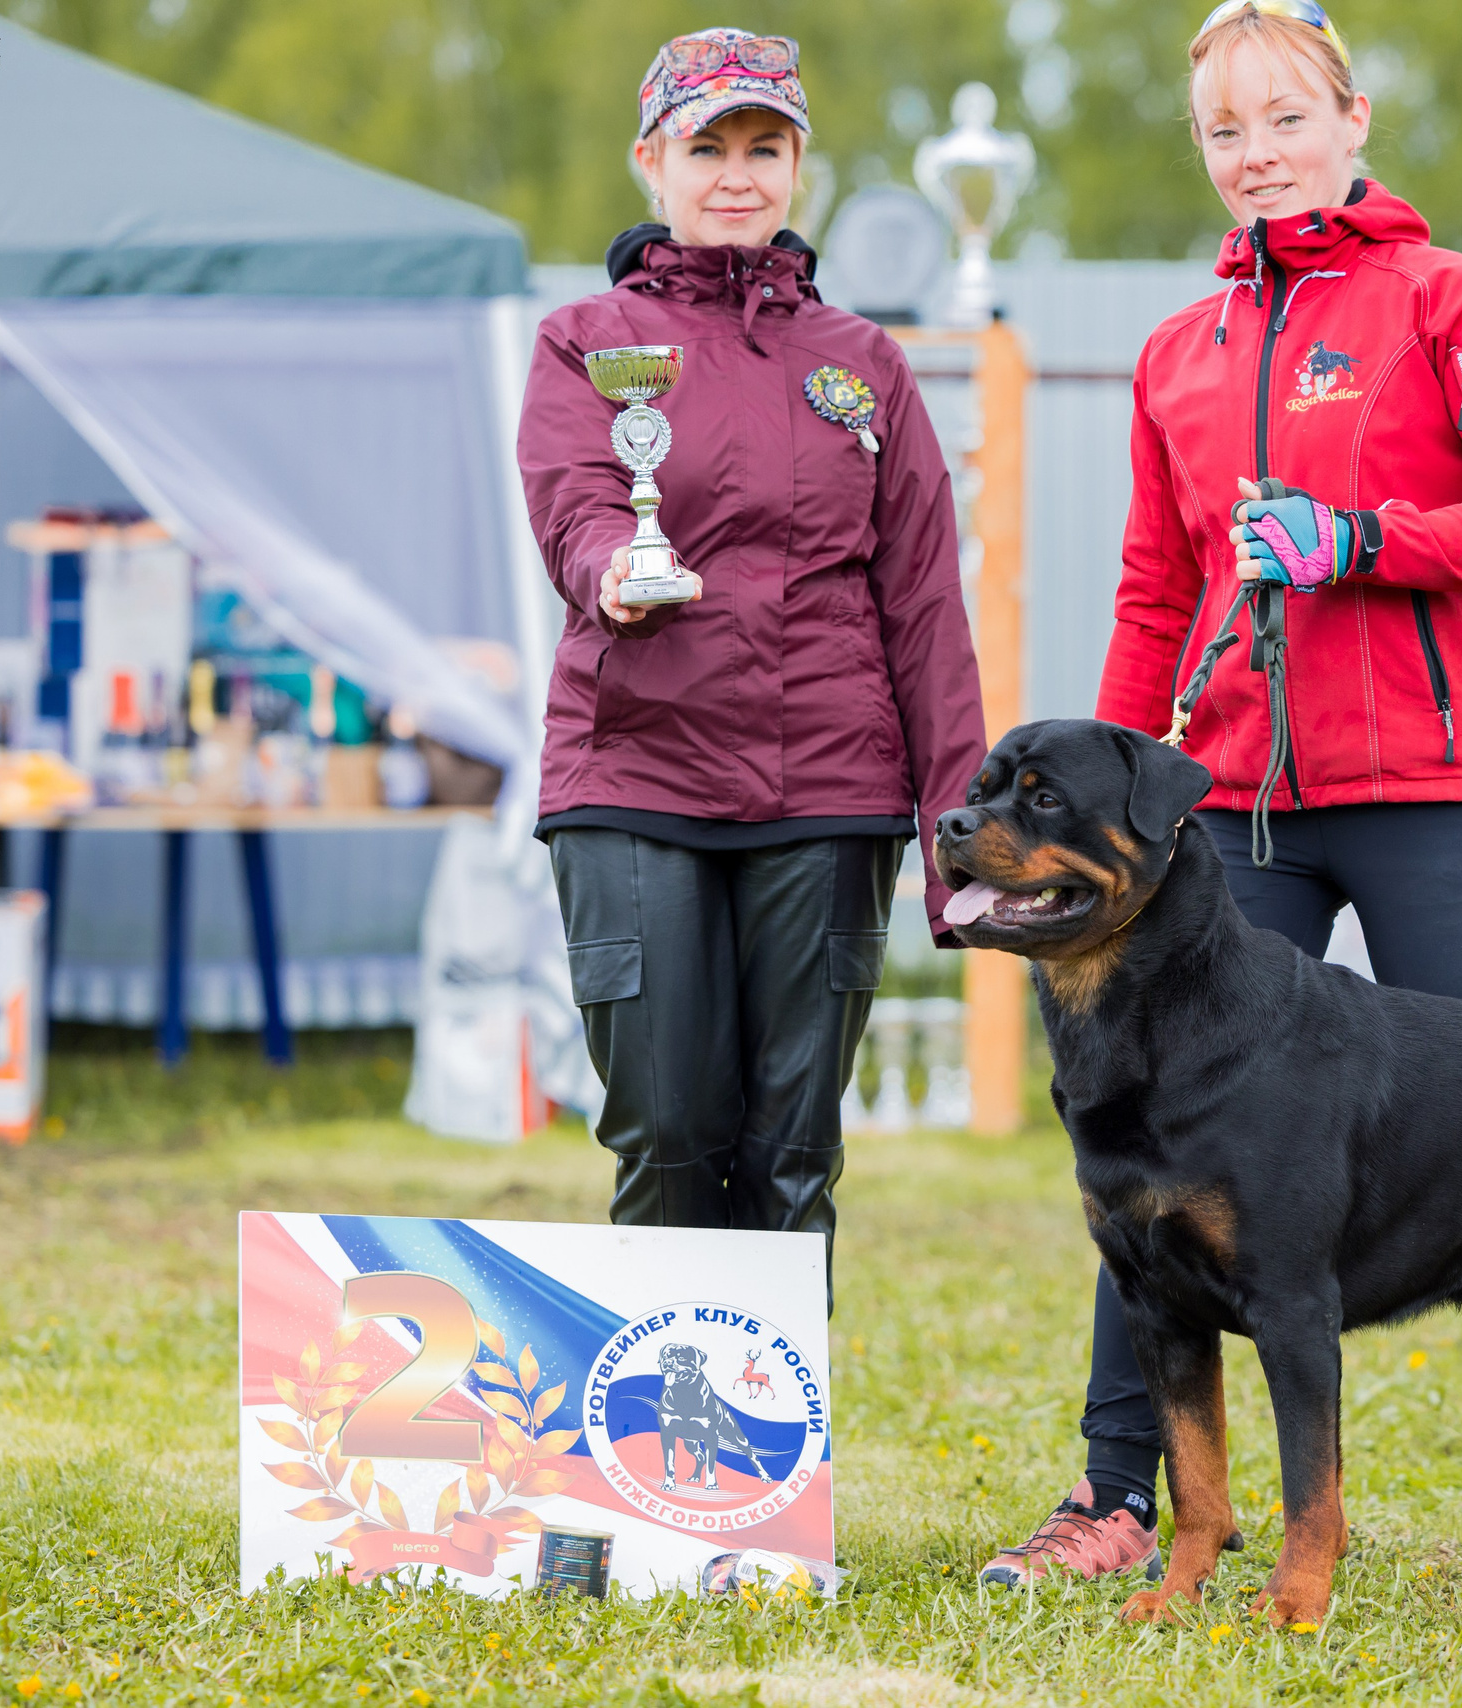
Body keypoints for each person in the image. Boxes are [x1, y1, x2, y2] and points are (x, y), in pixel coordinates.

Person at [979, 0, 1462, 1617]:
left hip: (1436, 789)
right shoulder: (1176, 350)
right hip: (1228, 825)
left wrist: (1358, 540)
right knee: (1144, 1163)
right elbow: (1156, 588)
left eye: (1286, 119)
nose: (1257, 153)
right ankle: (1115, 1494)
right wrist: (1117, 789)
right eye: (1227, 129)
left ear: (1352, 120)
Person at [517, 29, 983, 1294]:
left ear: (798, 167)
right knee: (667, 1138)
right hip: (634, 778)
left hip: (829, 792)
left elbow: (927, 608)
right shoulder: (582, 339)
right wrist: (614, 561)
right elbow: (574, 502)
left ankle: (769, 1485)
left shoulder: (865, 366)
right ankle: (658, 1471)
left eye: (763, 147)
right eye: (706, 146)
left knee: (792, 1156)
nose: (736, 174)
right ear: (650, 161)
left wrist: (958, 844)